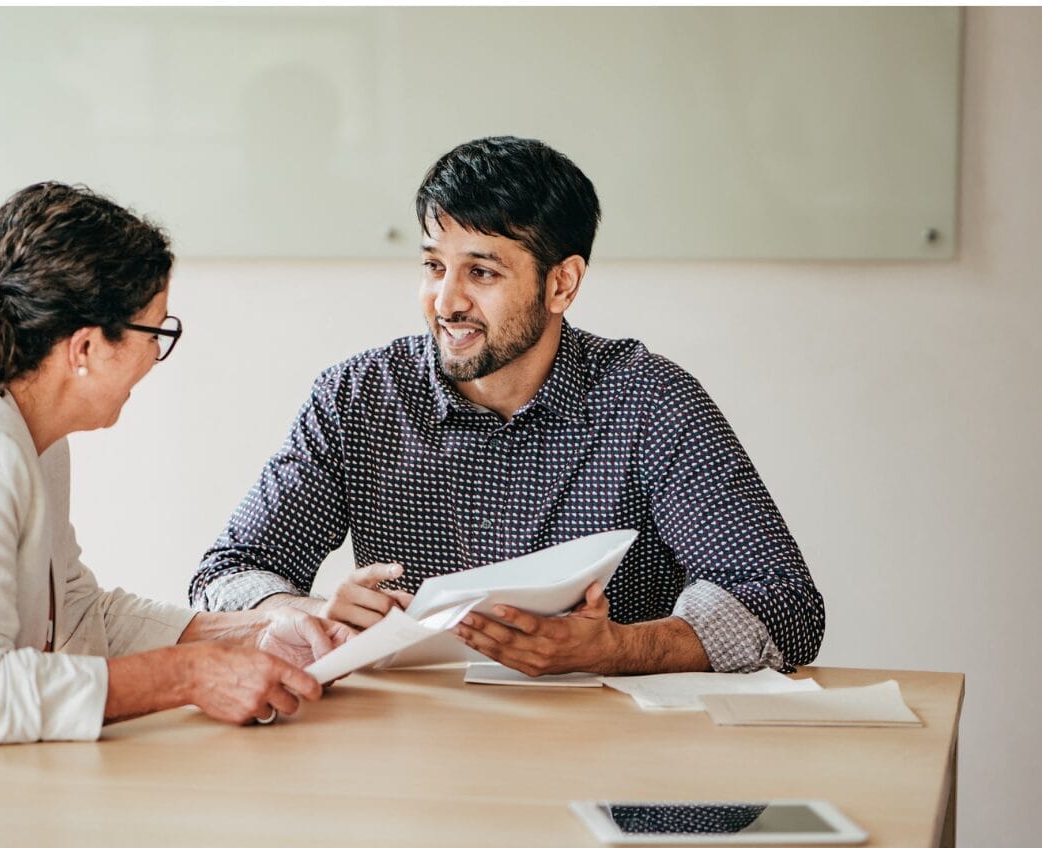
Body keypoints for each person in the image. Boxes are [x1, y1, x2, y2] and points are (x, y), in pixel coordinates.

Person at [0, 183, 349, 847]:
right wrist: (188, 676)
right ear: (84, 348)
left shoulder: (22, 429)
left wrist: (261, 625)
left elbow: (76, 614)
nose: (152, 359)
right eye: (153, 332)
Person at [191, 136, 825, 678]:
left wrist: (617, 649)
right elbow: (229, 570)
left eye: (482, 273)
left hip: (604, 744)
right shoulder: (358, 398)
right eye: (433, 266)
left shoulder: (651, 402)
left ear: (561, 284)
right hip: (415, 746)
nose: (446, 301)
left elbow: (783, 607)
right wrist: (298, 612)